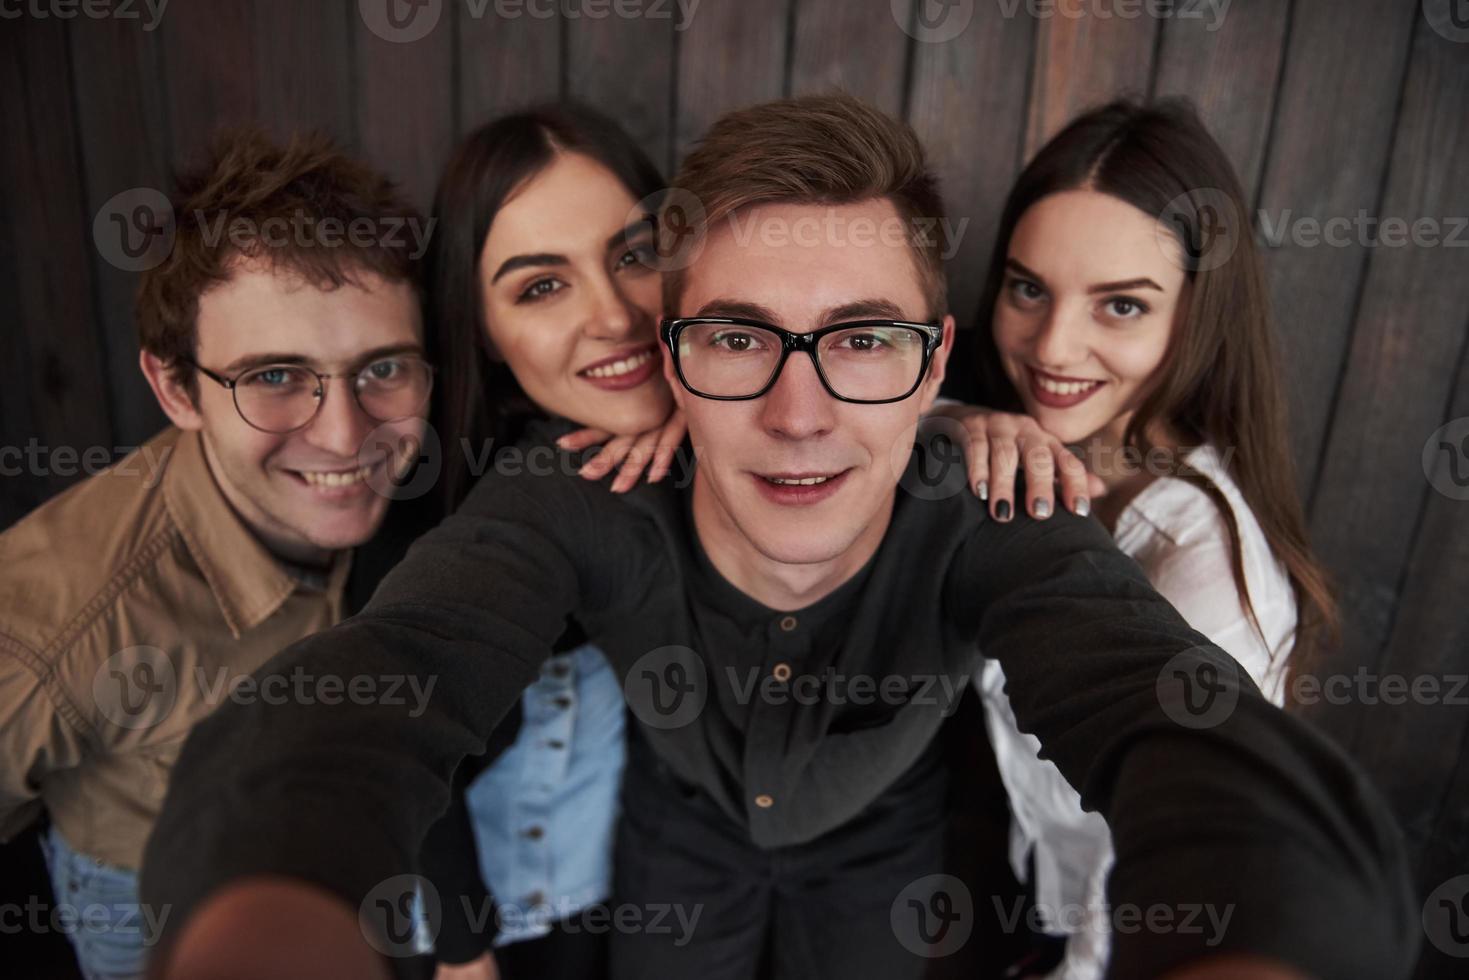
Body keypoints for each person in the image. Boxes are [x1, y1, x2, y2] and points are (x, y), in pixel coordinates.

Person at [140, 95, 1417, 980]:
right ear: (673, 356)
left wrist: (1269, 932)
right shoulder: (583, 487)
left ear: (933, 370)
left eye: (862, 339)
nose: (798, 413)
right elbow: (385, 680)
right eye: (739, 337)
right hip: (677, 835)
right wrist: (269, 909)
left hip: (883, 850)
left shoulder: (993, 502)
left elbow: (1171, 711)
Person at [0, 129, 432, 979]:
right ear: (175, 388)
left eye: (382, 367)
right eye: (274, 376)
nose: (345, 434)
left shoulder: (434, 485)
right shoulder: (58, 624)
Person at [933, 99, 1340, 978]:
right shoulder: (1014, 420)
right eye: (1027, 287)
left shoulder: (1208, 569)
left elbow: (1184, 862)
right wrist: (965, 421)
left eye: (1120, 305)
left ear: (1196, 317)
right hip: (1013, 870)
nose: (1052, 346)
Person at [364, 103, 685, 980]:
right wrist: (463, 958)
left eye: (633, 254)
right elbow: (404, 769)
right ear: (483, 333)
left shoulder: (753, 445)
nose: (615, 316)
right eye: (541, 285)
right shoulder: (445, 518)